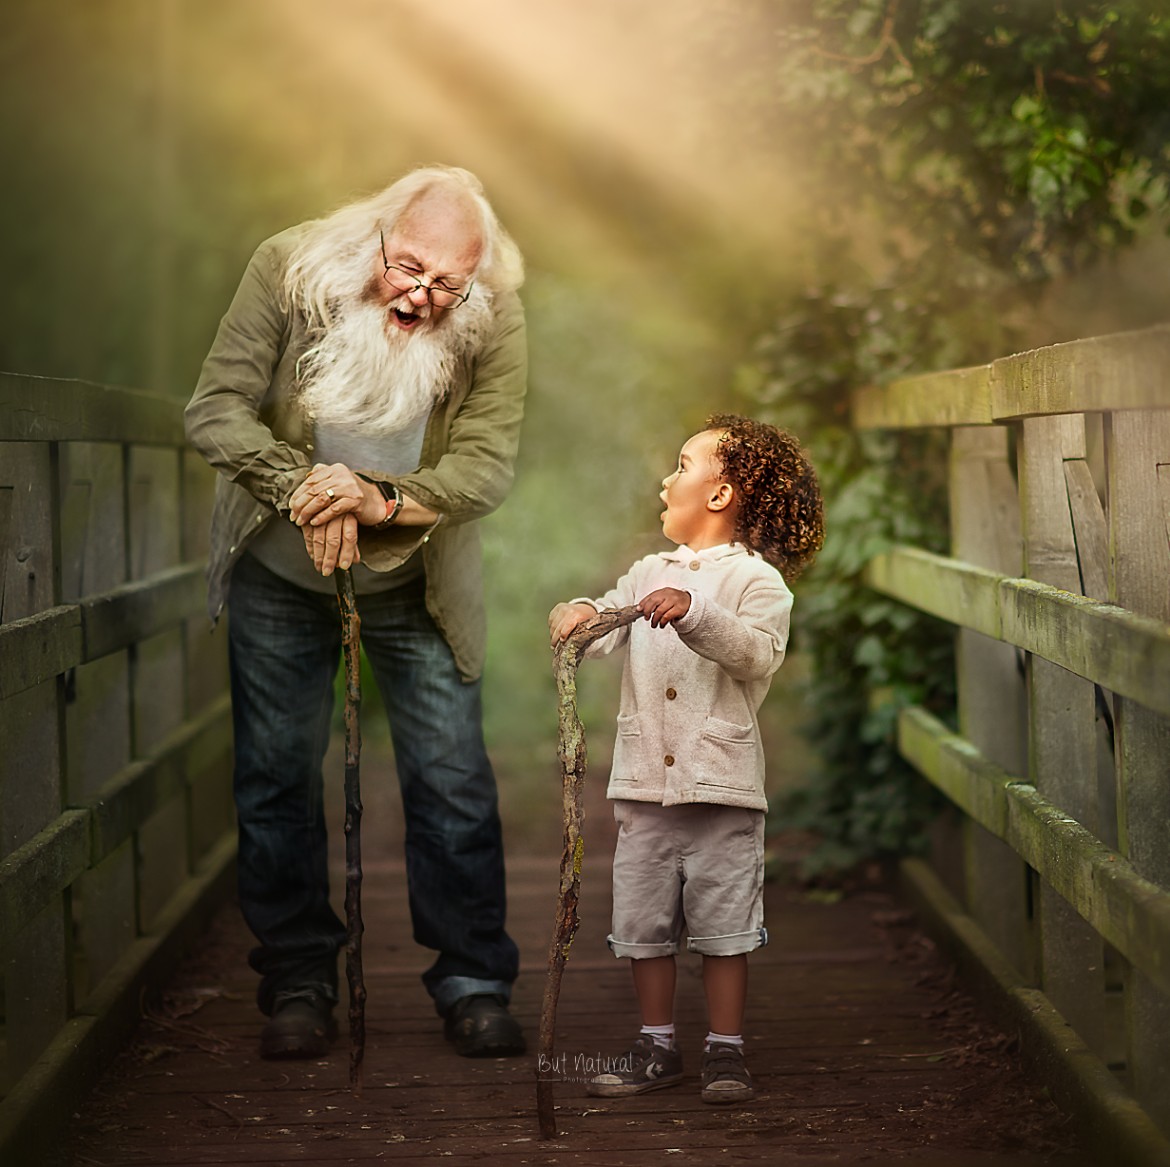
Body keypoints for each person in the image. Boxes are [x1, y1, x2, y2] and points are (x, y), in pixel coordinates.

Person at [185, 165, 528, 1060]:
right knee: (275, 777)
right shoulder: (288, 266)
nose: (418, 294)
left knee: (452, 779)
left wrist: (374, 500)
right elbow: (214, 410)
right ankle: (298, 978)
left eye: (445, 283)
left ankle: (473, 978)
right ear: (376, 233)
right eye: (406, 266)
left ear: (475, 278)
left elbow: (485, 470)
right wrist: (304, 488)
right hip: (278, 571)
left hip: (419, 583)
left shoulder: (494, 315)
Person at [547, 414, 824, 1103]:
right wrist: (581, 614)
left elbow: (755, 651)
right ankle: (656, 1043)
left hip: (723, 791)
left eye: (681, 465)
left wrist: (696, 610)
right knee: (644, 923)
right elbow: (609, 620)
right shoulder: (649, 571)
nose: (665, 479)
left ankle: (725, 1050)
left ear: (722, 493)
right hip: (645, 787)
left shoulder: (759, 584)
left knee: (724, 924)